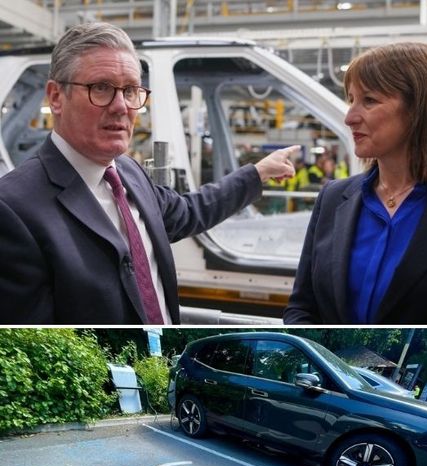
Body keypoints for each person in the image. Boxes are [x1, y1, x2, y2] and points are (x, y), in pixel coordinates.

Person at [0, 22, 298, 324]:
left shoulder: (129, 173)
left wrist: (257, 174)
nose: (121, 107)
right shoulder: (13, 209)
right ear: (56, 97)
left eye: (130, 90)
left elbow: (188, 211)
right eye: (100, 88)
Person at [283, 42, 427, 324]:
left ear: (419, 109)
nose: (350, 117)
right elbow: (302, 308)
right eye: (350, 99)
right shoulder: (332, 198)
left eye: (369, 101)